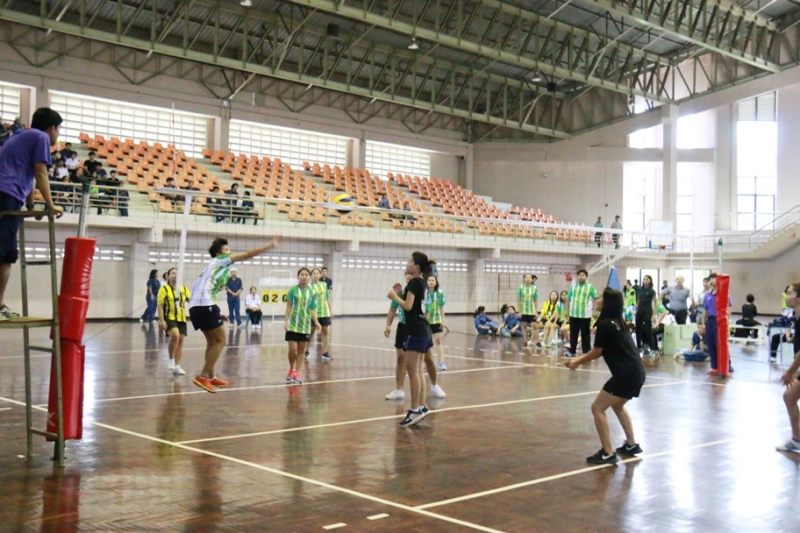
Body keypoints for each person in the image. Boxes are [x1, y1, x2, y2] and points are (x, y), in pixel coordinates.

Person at [188, 236, 282, 393]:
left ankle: (210, 376)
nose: (229, 251)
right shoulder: (221, 260)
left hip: (197, 306)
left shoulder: (212, 267)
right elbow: (248, 254)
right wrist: (271, 245)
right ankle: (203, 376)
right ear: (219, 253)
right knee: (221, 341)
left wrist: (217, 313)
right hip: (204, 305)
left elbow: (203, 290)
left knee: (212, 342)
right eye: (226, 249)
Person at [565, 288, 646, 465]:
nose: (597, 299)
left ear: (608, 303)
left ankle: (608, 453)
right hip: (637, 372)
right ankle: (631, 445)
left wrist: (577, 361)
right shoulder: (619, 322)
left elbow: (597, 352)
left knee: (597, 408)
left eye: (601, 297)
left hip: (625, 374)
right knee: (617, 405)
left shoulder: (605, 324)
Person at [0, 108, 64, 320]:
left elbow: (29, 176)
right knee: (4, 253)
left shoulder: (23, 136)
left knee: (5, 252)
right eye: (58, 130)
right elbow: (40, 172)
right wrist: (50, 205)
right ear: (51, 128)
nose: (57, 135)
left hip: (8, 194)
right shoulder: (40, 137)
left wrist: (30, 206)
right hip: (5, 195)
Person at [387, 252, 436, 426]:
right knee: (418, 370)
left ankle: (415, 409)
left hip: (415, 330)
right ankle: (421, 406)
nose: (407, 263)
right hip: (423, 329)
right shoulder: (422, 282)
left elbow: (408, 306)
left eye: (410, 261)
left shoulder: (415, 283)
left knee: (413, 370)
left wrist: (394, 297)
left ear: (417, 266)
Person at [284, 267, 321, 386]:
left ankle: (297, 373)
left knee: (301, 350)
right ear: (298, 276)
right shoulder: (293, 290)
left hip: (305, 325)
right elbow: (289, 306)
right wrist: (286, 321)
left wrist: (316, 322)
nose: (304, 277)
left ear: (309, 277)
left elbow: (312, 309)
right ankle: (291, 368)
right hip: (293, 324)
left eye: (306, 275)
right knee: (292, 350)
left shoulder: (312, 292)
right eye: (302, 274)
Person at [777, 281, 800, 454]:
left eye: (790, 293)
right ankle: (797, 440)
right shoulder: (796, 318)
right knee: (789, 397)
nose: (786, 296)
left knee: (789, 396)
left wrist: (790, 373)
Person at [157, 267, 190, 377]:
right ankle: (171, 360)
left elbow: (192, 301)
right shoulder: (164, 289)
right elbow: (160, 305)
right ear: (168, 276)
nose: (175, 275)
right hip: (169, 317)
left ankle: (177, 366)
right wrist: (161, 320)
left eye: (177, 273)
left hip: (181, 318)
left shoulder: (184, 289)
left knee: (180, 341)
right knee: (175, 335)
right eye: (173, 273)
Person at [699, 273, 733, 375]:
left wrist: (726, 321)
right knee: (711, 344)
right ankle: (715, 367)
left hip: (720, 322)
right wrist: (703, 323)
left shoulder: (724, 294)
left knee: (721, 344)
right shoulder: (707, 295)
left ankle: (727, 367)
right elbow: (705, 310)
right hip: (710, 321)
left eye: (715, 279)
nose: (713, 281)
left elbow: (729, 308)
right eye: (711, 279)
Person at [566, 269, 600, 356]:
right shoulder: (573, 287)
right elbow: (568, 299)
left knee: (585, 334)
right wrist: (567, 311)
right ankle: (572, 351)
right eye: (579, 275)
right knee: (573, 333)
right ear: (577, 277)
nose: (581, 277)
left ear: (586, 277)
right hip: (573, 314)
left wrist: (595, 311)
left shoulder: (590, 287)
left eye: (583, 275)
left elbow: (596, 299)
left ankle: (586, 352)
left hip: (585, 314)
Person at [309, 268, 333, 360]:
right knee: (311, 332)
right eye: (314, 273)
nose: (316, 275)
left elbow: (327, 298)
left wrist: (331, 310)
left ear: (320, 275)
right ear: (311, 275)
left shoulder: (324, 285)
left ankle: (325, 352)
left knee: (325, 332)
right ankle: (306, 351)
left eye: (317, 273)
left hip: (324, 312)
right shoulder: (309, 286)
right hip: (313, 312)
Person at [426, 275, 447, 370]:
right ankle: (426, 361)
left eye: (433, 280)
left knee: (438, 340)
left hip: (436, 320)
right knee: (426, 342)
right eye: (429, 280)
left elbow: (442, 307)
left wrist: (443, 320)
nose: (431, 282)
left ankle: (441, 362)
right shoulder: (424, 293)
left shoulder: (440, 293)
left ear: (436, 282)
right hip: (426, 321)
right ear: (427, 282)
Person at [635, 275, 657, 354]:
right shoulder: (639, 289)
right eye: (644, 279)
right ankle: (638, 347)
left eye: (647, 279)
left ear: (650, 281)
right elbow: (638, 300)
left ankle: (652, 348)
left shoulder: (652, 290)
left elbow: (655, 302)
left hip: (647, 311)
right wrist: (636, 310)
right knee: (638, 329)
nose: (645, 281)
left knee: (648, 330)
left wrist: (654, 314)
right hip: (639, 311)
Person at [517, 274, 540, 347]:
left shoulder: (534, 288)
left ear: (531, 279)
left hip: (531, 310)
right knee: (524, 326)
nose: (528, 279)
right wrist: (519, 311)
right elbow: (518, 300)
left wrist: (536, 311)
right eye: (526, 277)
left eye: (529, 278)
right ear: (524, 279)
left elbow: (536, 300)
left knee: (534, 325)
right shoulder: (520, 288)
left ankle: (538, 342)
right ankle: (525, 341)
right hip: (523, 310)